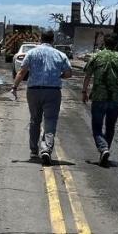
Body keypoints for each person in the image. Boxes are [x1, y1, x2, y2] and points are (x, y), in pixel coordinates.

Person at [10, 30, 72, 165]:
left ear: (40, 39)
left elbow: (21, 72)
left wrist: (14, 87)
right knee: (50, 120)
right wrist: (58, 76)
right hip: (53, 92)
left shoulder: (32, 53)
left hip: (34, 91)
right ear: (53, 40)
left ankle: (33, 150)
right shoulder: (60, 55)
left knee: (34, 120)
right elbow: (68, 73)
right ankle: (46, 149)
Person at [81, 32, 118, 166]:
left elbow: (87, 75)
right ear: (116, 44)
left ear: (104, 42)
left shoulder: (96, 56)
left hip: (98, 97)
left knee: (97, 126)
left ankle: (103, 149)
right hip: (114, 98)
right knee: (110, 127)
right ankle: (105, 151)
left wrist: (84, 91)